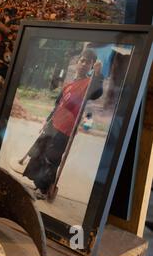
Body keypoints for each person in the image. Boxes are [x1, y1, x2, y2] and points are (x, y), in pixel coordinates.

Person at [20, 49, 104, 200]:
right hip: (53, 124)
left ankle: (44, 189)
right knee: (39, 152)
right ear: (77, 62)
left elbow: (97, 92)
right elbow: (57, 105)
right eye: (82, 60)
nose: (84, 64)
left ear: (92, 66)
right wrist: (47, 120)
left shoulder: (89, 84)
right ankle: (38, 183)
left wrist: (98, 76)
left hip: (66, 130)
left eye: (88, 62)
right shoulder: (69, 85)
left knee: (51, 158)